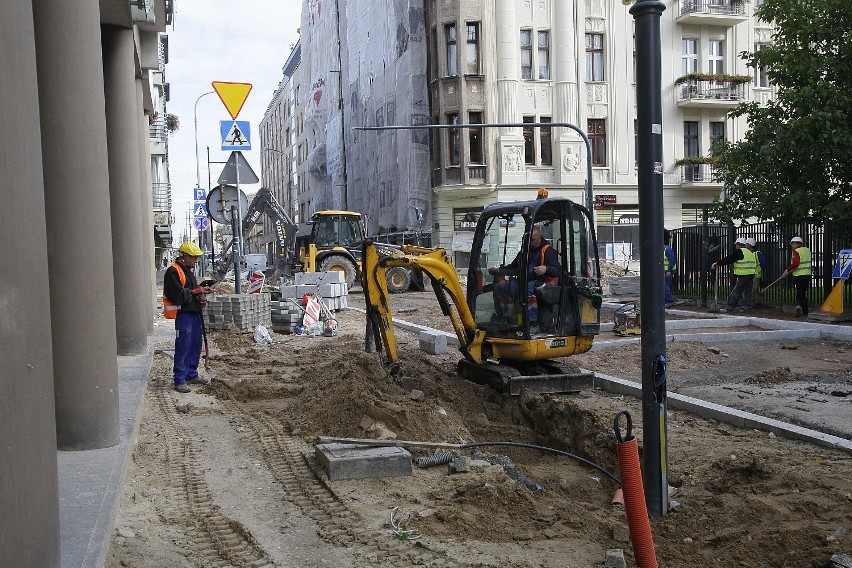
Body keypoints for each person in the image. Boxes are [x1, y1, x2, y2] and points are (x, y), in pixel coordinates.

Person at [163, 242, 212, 393]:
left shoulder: (187, 271)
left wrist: (200, 295)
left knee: (194, 345)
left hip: (193, 312)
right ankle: (180, 379)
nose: (195, 260)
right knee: (183, 346)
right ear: (184, 257)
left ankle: (191, 373)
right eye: (193, 257)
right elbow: (177, 295)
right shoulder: (174, 271)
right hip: (183, 314)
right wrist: (195, 292)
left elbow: (190, 290)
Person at [489, 225, 560, 323]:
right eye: (527, 240)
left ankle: (531, 322)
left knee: (528, 288)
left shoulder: (548, 251)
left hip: (542, 284)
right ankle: (505, 317)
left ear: (540, 238)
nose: (529, 243)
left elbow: (557, 270)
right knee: (500, 287)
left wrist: (546, 268)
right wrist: (500, 270)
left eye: (532, 240)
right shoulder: (524, 252)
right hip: (523, 282)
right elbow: (513, 267)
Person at [711, 237, 756, 313]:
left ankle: (730, 307)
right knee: (747, 291)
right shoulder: (749, 252)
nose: (736, 246)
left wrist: (717, 263)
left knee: (737, 291)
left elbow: (730, 259)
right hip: (751, 274)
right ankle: (747, 307)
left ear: (738, 245)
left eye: (736, 244)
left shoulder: (739, 252)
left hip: (743, 274)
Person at [782, 236, 811, 318]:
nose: (792, 246)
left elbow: (796, 263)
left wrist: (787, 270)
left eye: (793, 244)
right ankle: (798, 305)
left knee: (801, 294)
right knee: (801, 292)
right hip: (807, 275)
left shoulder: (796, 251)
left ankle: (805, 312)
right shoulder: (807, 250)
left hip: (799, 275)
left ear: (796, 244)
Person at [745, 238, 767, 306]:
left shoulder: (757, 253)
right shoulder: (747, 253)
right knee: (749, 289)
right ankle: (749, 302)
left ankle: (750, 303)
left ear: (750, 245)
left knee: (753, 289)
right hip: (749, 274)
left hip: (754, 275)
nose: (745, 245)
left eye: (746, 243)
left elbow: (763, 262)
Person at [663, 231, 677, 305]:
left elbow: (672, 260)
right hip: (664, 271)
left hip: (667, 271)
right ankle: (667, 299)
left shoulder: (667, 250)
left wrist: (669, 271)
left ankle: (670, 300)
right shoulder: (664, 250)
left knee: (665, 286)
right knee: (664, 286)